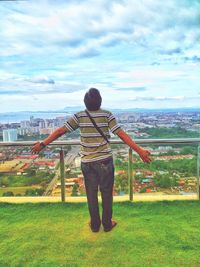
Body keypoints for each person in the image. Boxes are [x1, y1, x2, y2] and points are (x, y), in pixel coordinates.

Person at [31, 88, 151, 232]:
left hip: (87, 163)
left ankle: (95, 225)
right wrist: (140, 151)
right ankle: (107, 224)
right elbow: (122, 134)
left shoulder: (79, 116)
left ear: (85, 102)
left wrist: (43, 144)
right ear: (100, 101)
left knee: (91, 194)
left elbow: (60, 131)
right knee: (107, 194)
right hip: (105, 161)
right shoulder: (107, 115)